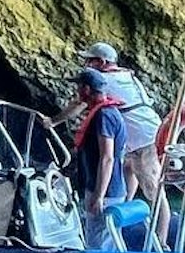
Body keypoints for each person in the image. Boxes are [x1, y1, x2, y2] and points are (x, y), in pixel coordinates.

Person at [51, 42, 163, 210]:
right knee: (127, 168)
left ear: (102, 62)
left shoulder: (103, 81)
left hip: (143, 138)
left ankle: (162, 234)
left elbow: (78, 104)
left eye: (90, 61)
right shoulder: (127, 75)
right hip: (148, 131)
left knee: (153, 190)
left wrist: (53, 121)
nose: (86, 65)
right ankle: (124, 211)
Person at [67, 66, 127, 250]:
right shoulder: (109, 112)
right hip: (109, 187)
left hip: (105, 191)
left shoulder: (104, 116)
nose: (77, 91)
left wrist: (99, 196)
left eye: (79, 87)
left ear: (86, 89)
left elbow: (107, 158)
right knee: (107, 239)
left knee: (98, 243)